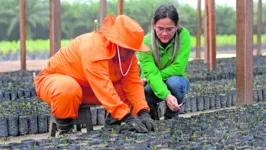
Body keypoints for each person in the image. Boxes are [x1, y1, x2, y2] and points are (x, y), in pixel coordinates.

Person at [34, 14, 156, 134]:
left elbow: (133, 84)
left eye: (135, 50)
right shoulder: (94, 48)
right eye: (129, 49)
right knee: (67, 88)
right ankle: (65, 130)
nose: (132, 53)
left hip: (88, 88)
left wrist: (143, 112)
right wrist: (126, 116)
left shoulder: (128, 57)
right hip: (53, 82)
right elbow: (103, 86)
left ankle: (112, 125)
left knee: (126, 89)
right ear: (117, 43)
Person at [138, 4, 191, 120]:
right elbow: (150, 72)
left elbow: (178, 67)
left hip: (173, 80)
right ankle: (152, 112)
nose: (164, 33)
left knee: (175, 83)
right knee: (144, 90)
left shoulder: (183, 36)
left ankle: (171, 116)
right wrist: (166, 96)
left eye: (169, 29)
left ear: (176, 26)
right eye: (160, 28)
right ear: (153, 25)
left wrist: (153, 78)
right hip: (151, 84)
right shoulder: (145, 43)